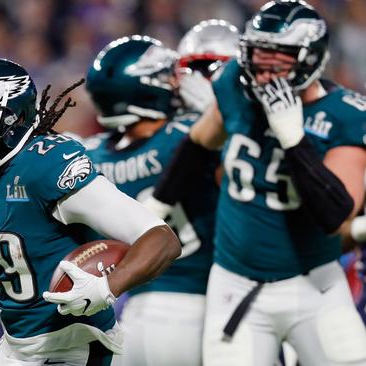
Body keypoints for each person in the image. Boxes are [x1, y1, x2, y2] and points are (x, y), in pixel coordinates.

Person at [0, 57, 181, 366]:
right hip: (15, 348)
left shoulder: (45, 167)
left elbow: (161, 238)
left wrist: (107, 287)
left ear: (13, 122)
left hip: (78, 345)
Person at [146, 1, 366, 365]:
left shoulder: (344, 115)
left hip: (315, 285)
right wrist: (153, 212)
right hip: (236, 284)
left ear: (310, 59)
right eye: (257, 54)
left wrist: (294, 140)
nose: (263, 67)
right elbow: (200, 143)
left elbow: (336, 215)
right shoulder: (236, 84)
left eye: (276, 57)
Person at [83, 23, 237, 366]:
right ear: (147, 89)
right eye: (169, 76)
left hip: (130, 313)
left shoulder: (90, 156)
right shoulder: (187, 136)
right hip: (200, 305)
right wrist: (219, 117)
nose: (179, 82)